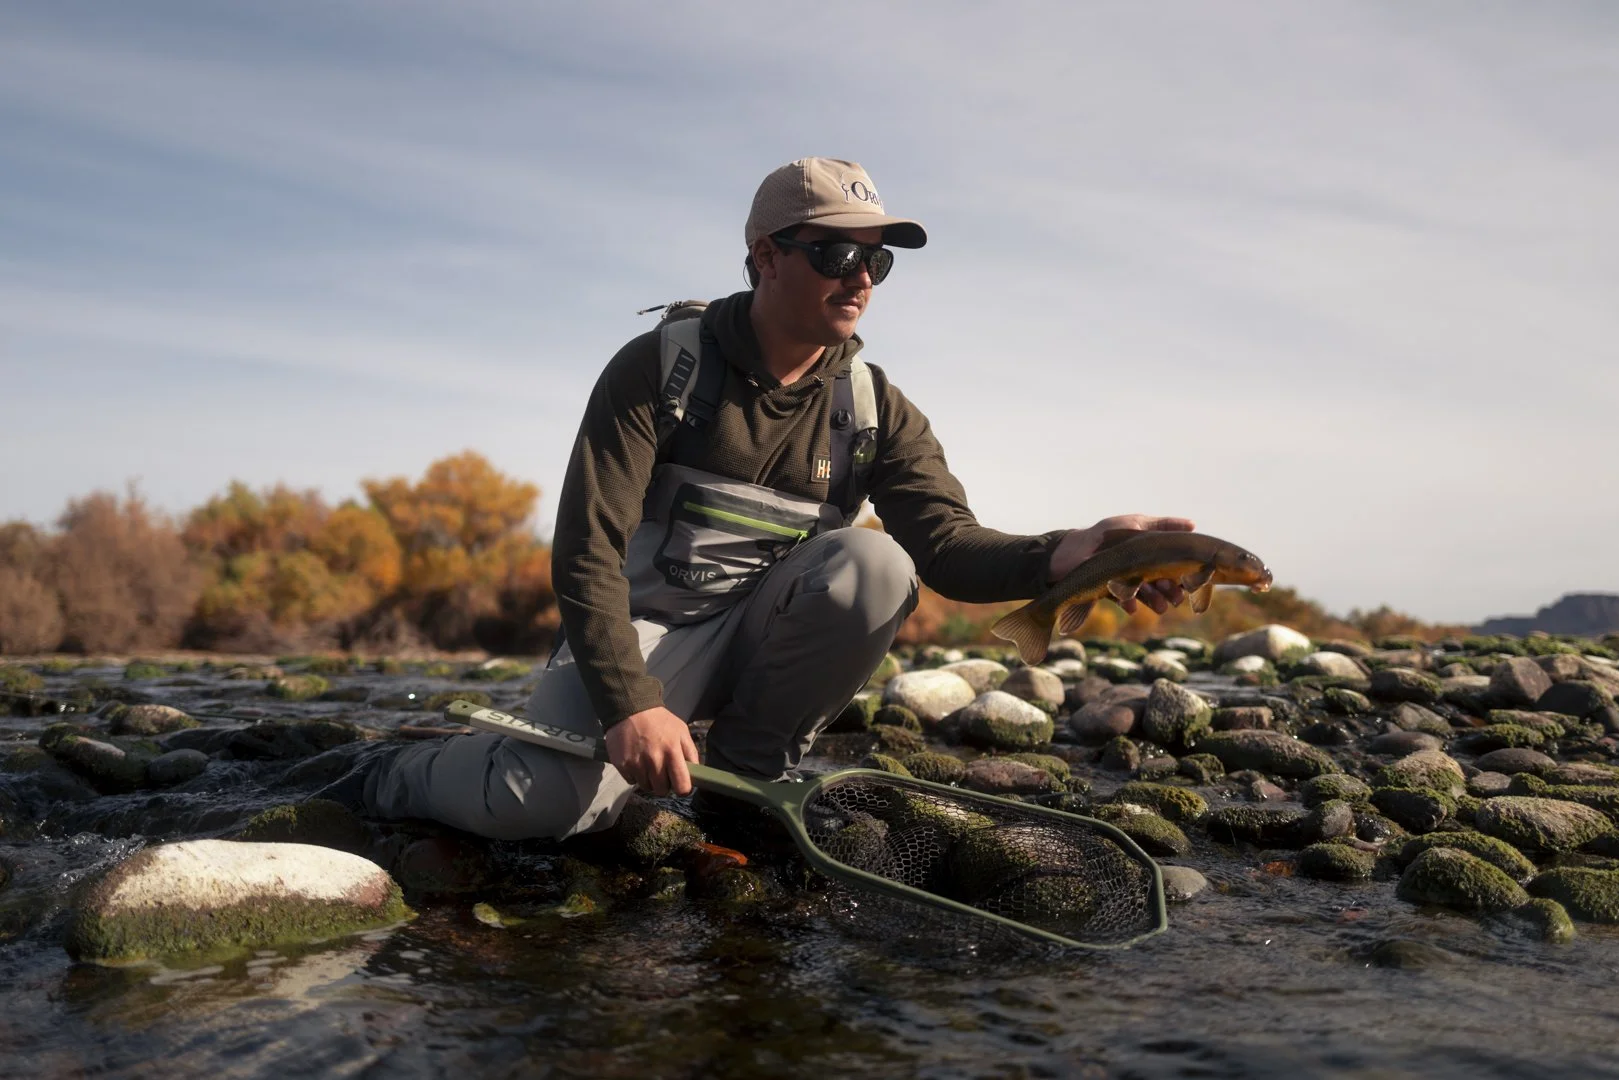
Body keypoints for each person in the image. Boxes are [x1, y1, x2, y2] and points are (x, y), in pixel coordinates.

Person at [346, 157, 1192, 841]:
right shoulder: (660, 367)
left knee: (876, 561)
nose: (859, 277)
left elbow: (946, 548)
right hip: (641, 638)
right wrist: (631, 704)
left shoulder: (874, 406)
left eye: (877, 260)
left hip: (756, 636)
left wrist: (1068, 551)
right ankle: (398, 770)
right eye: (834, 253)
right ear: (764, 258)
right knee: (546, 808)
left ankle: (747, 782)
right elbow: (585, 552)